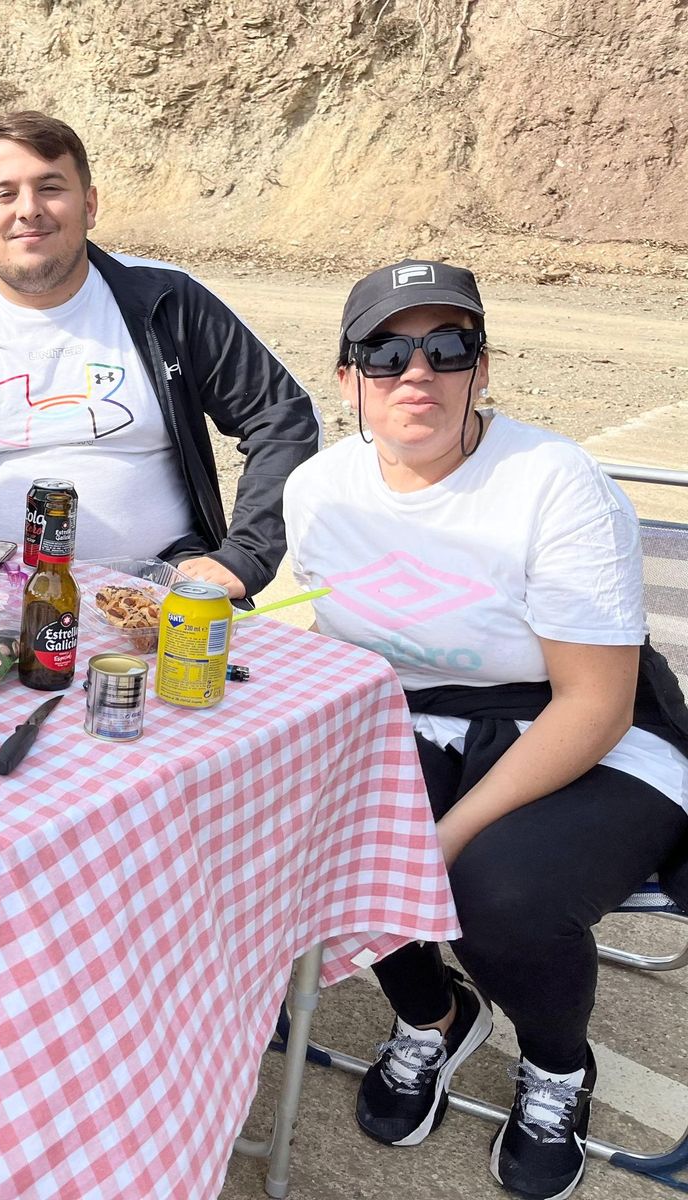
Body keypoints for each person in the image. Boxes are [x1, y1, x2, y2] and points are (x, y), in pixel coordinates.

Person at [284, 260, 688, 1199]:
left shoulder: (555, 482)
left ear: (482, 367)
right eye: (384, 352)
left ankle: (556, 1066)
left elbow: (596, 701)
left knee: (492, 888)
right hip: (412, 721)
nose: (413, 372)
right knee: (305, 835)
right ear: (348, 378)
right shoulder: (319, 489)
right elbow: (335, 641)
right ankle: (435, 1015)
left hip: (580, 724)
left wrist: (441, 838)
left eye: (445, 347)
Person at [0, 111, 320, 600]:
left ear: (90, 204)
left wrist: (245, 556)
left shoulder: (167, 301)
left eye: (50, 187)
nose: (28, 209)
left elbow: (282, 415)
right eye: (4, 193)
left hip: (160, 593)